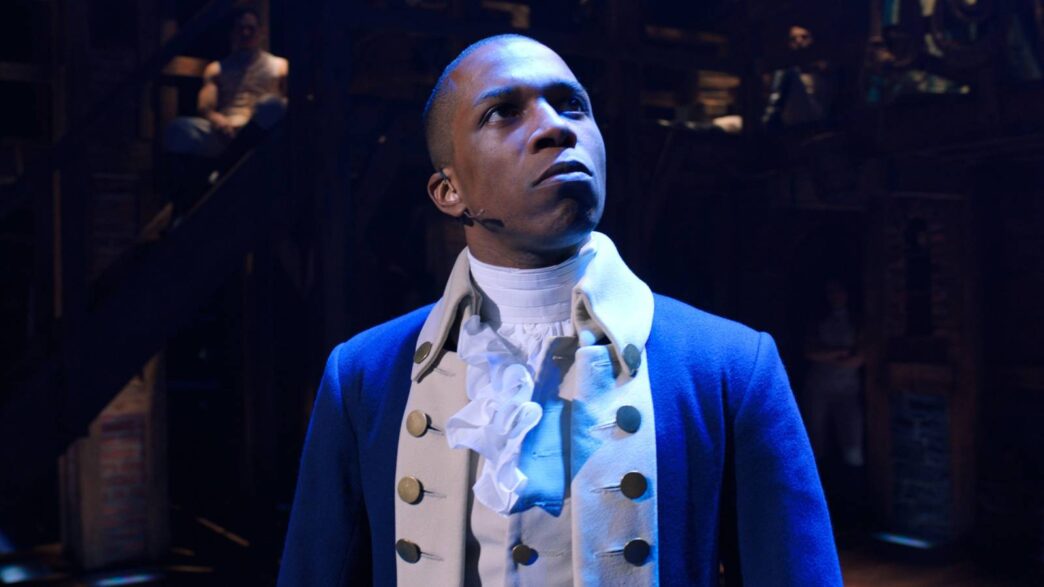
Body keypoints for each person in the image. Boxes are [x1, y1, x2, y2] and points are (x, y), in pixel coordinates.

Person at [278, 34, 841, 586]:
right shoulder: (364, 376)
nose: (556, 127)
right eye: (502, 112)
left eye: (572, 104)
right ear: (449, 192)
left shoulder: (730, 368)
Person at [162, 8, 288, 216]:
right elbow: (205, 106)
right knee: (178, 130)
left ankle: (227, 164)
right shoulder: (217, 68)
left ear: (260, 32)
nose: (246, 33)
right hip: (225, 131)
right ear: (233, 33)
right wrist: (218, 120)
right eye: (241, 29)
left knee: (273, 106)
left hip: (258, 132)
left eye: (250, 28)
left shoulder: (279, 66)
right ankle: (184, 202)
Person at [803, 279, 865, 468]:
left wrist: (827, 355)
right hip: (819, 387)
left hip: (847, 388)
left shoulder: (857, 321)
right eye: (831, 292)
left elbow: (859, 357)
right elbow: (810, 352)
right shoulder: (819, 321)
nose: (835, 296)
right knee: (815, 434)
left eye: (839, 291)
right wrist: (840, 352)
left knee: (852, 435)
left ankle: (853, 477)